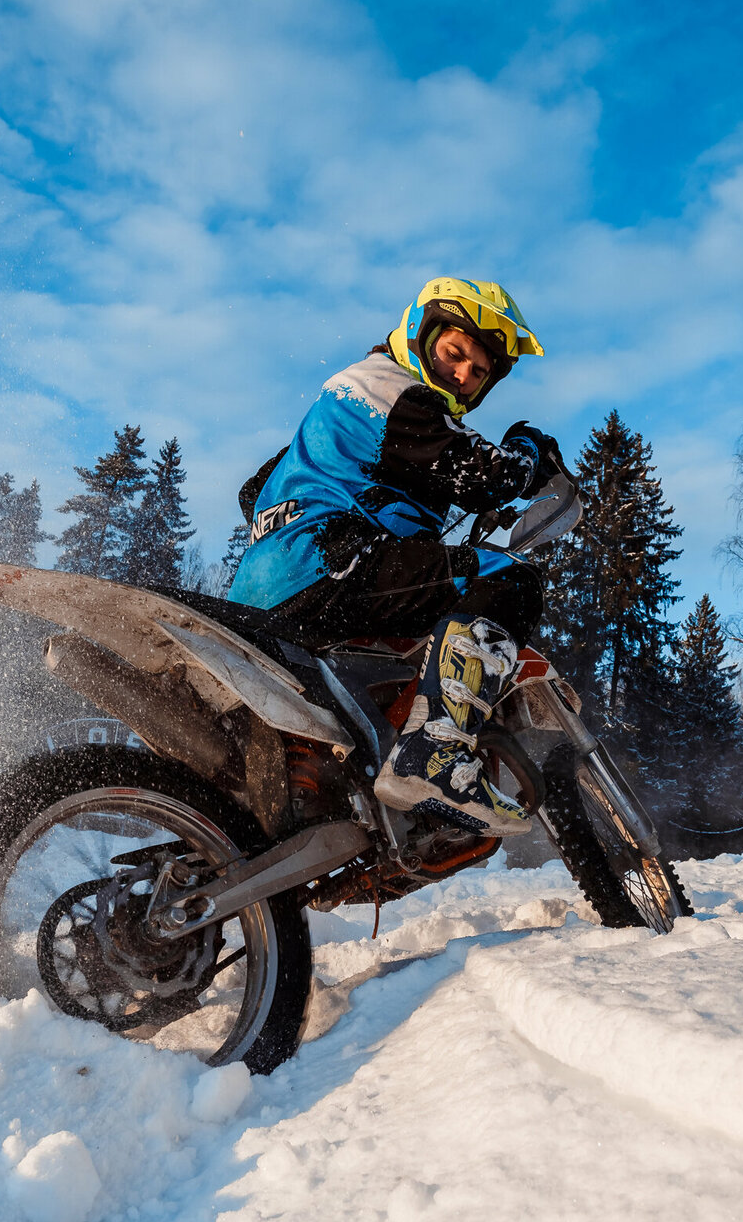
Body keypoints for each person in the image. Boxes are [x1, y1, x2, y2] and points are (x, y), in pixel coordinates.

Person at [227, 278, 565, 835]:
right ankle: (435, 752)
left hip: (265, 591)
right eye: (455, 353)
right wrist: (530, 451)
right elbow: (485, 476)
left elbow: (253, 490)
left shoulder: (349, 400)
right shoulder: (392, 388)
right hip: (330, 568)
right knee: (511, 577)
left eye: (479, 372)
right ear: (418, 331)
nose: (463, 374)